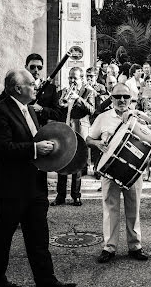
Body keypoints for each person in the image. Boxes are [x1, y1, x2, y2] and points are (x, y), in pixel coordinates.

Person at [0, 69, 76, 287]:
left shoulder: (30, 110)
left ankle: (47, 282)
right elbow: (2, 148)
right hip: (10, 187)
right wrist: (35, 150)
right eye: (32, 84)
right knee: (3, 237)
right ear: (18, 88)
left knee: (38, 238)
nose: (36, 87)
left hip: (34, 185)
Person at [86, 83, 151, 263]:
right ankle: (109, 247)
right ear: (111, 99)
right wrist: (97, 144)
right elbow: (88, 138)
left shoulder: (138, 117)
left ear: (131, 99)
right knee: (110, 209)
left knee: (134, 208)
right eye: (118, 97)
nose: (122, 100)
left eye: (126, 97)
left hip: (133, 170)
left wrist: (139, 116)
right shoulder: (103, 117)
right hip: (110, 170)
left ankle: (135, 246)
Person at [52, 67, 95, 207]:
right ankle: (60, 196)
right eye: (70, 77)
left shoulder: (88, 92)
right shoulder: (63, 92)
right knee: (62, 162)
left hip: (79, 130)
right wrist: (60, 103)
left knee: (77, 164)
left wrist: (79, 98)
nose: (72, 81)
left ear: (81, 79)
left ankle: (76, 195)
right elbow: (58, 112)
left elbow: (92, 110)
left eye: (75, 78)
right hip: (65, 130)